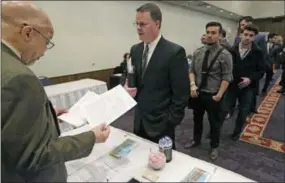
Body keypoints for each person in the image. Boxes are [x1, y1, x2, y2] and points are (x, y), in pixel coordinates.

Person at [1, 2, 110, 182]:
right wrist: (91, 137)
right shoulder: (20, 78)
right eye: (47, 41)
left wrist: (46, 116)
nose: (45, 51)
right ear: (28, 32)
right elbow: (34, 155)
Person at [123, 3, 189, 149]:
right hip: (139, 120)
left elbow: (182, 93)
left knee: (164, 164)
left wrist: (170, 121)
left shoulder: (174, 52)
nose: (138, 28)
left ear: (157, 24)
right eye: (137, 24)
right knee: (140, 160)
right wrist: (126, 84)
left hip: (162, 123)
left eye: (143, 24)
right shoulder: (135, 50)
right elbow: (128, 74)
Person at [186, 22, 233, 160]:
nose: (210, 35)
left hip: (213, 95)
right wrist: (192, 85)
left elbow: (227, 77)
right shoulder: (198, 52)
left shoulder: (225, 55)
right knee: (197, 119)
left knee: (215, 123)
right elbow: (192, 71)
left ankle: (214, 146)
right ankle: (196, 140)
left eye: (214, 33)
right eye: (208, 32)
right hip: (198, 93)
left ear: (220, 35)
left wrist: (219, 95)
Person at [225, 25, 265, 141]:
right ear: (241, 35)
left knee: (243, 112)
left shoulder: (258, 52)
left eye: (251, 36)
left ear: (254, 38)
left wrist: (250, 79)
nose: (247, 37)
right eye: (245, 34)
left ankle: (236, 133)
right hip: (232, 85)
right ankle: (215, 131)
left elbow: (261, 71)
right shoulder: (232, 50)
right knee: (223, 110)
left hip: (248, 87)